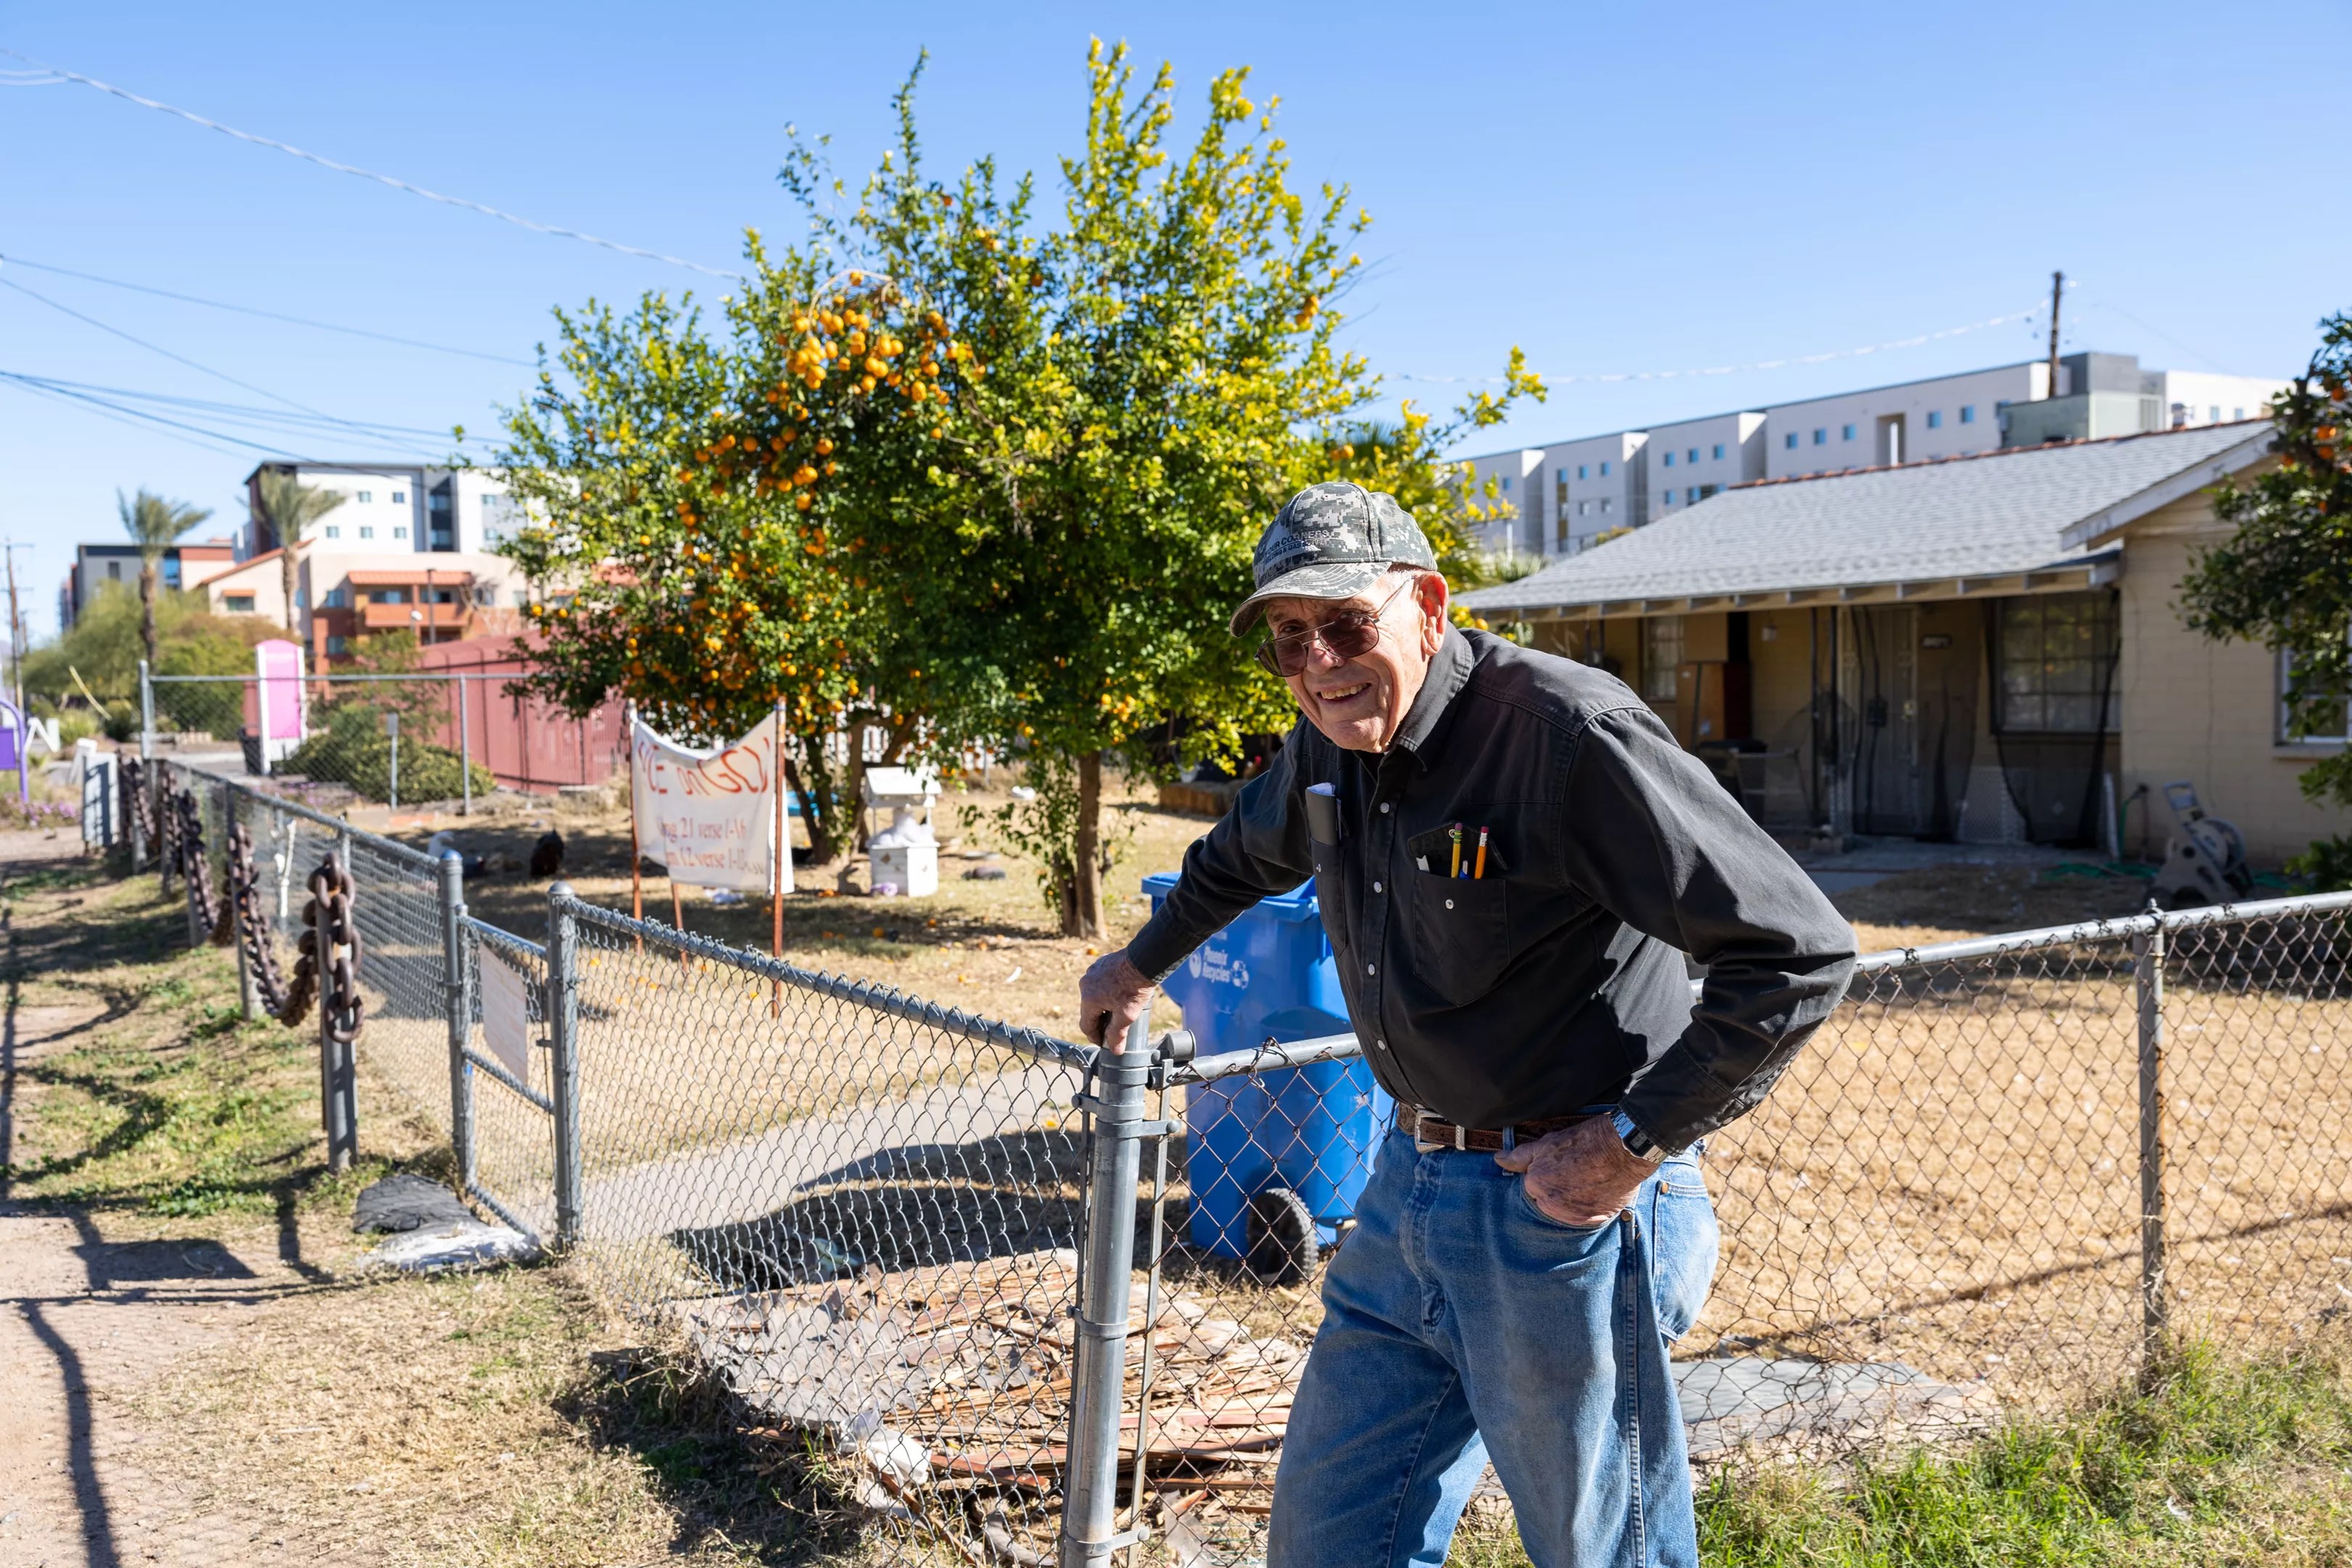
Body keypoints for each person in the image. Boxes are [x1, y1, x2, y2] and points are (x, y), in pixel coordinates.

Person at [1077, 481, 1856, 1568]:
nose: (1318, 663)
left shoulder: (1565, 739)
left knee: (1604, 1552)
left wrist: (1627, 1149)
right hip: (1406, 1192)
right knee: (1331, 1537)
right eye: (1288, 641)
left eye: (1347, 624)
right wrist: (1133, 964)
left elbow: (1796, 953)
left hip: (1563, 1211)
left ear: (1429, 607)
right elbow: (1238, 857)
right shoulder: (1327, 747)